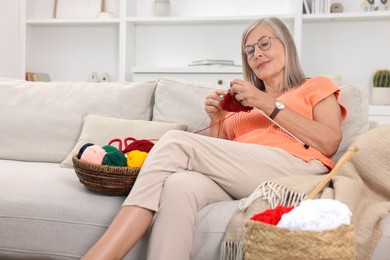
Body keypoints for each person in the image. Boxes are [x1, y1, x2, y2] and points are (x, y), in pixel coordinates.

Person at [82, 17, 346, 260]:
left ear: (287, 44)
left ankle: (103, 255)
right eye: (250, 51)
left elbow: (329, 142)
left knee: (176, 141)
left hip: (298, 168)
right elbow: (221, 160)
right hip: (250, 176)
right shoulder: (242, 107)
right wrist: (217, 119)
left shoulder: (315, 86)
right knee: (179, 184)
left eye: (264, 43)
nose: (258, 54)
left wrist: (268, 103)